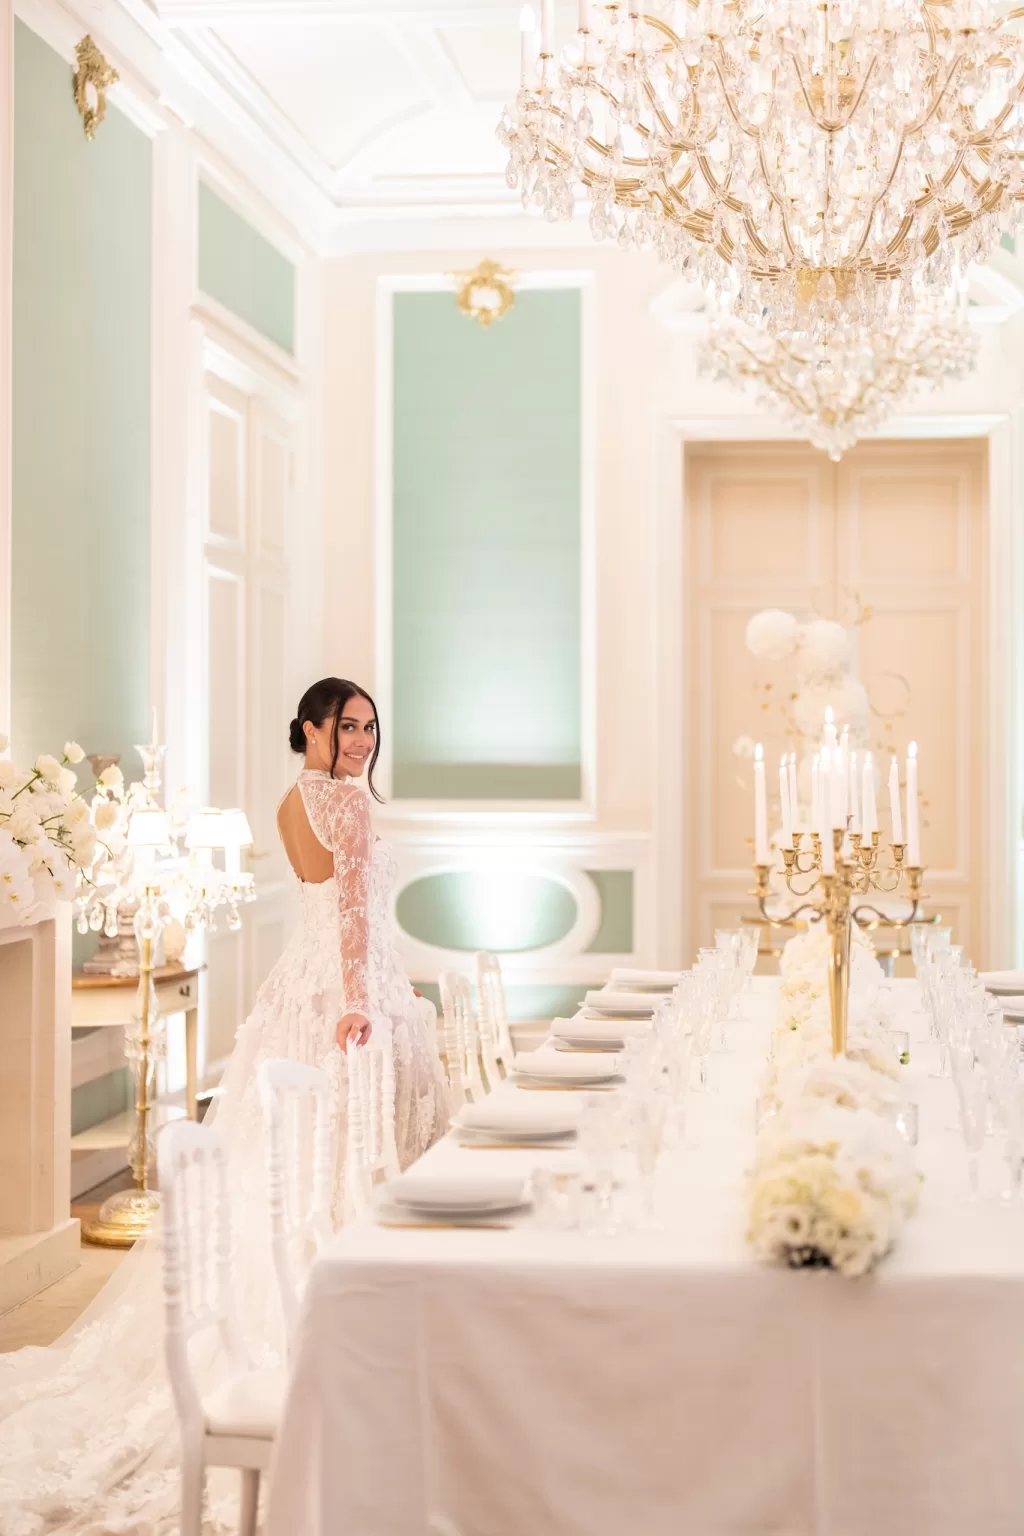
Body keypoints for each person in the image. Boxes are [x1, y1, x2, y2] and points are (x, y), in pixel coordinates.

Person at [0, 677, 451, 1534]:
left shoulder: (292, 801)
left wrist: (382, 976)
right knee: (346, 1159)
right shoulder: (348, 805)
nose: (361, 740)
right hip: (345, 995)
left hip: (303, 993)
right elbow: (352, 909)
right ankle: (357, 1336)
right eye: (346, 726)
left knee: (285, 1163)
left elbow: (332, 905)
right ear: (312, 729)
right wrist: (366, 994)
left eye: (369, 727)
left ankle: (295, 1319)